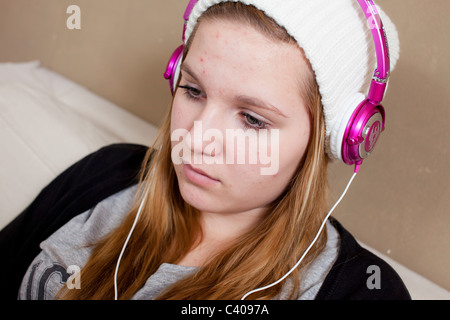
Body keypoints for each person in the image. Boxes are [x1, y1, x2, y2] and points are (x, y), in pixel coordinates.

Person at [0, 0, 410, 300]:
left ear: (334, 139)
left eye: (252, 119)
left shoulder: (362, 291)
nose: (197, 139)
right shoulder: (106, 174)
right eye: (193, 90)